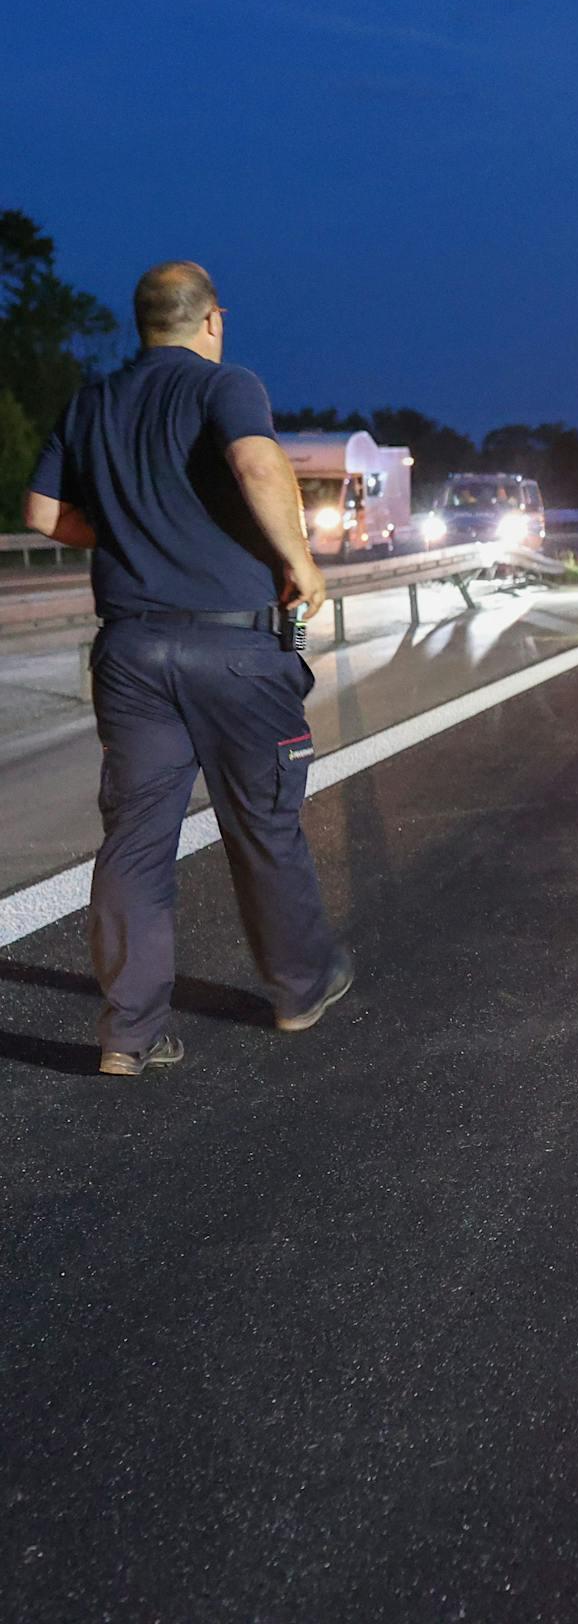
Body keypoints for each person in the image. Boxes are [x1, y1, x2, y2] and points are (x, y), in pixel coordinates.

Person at [24, 261, 353, 1077]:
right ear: (211, 320)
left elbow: (37, 514)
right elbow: (256, 464)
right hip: (235, 649)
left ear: (143, 324)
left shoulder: (92, 400)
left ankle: (129, 1035)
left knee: (135, 840)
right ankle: (299, 989)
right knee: (263, 824)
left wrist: (128, 539)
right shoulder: (225, 384)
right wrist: (301, 562)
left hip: (132, 651)